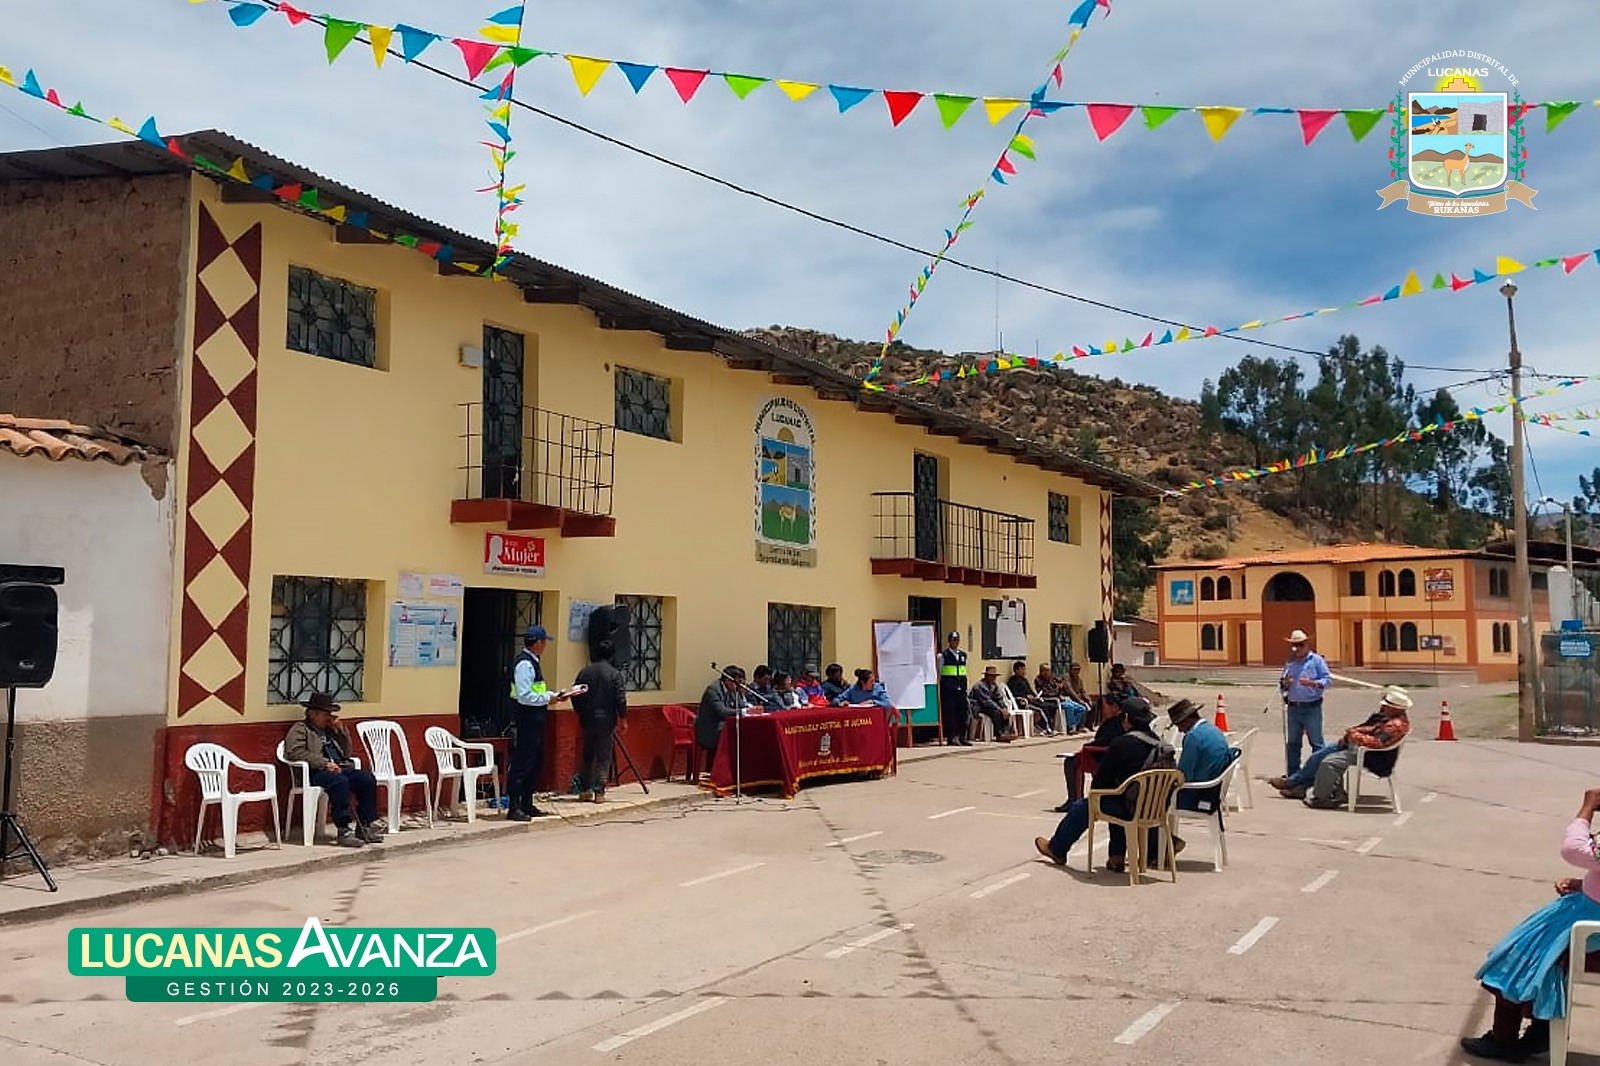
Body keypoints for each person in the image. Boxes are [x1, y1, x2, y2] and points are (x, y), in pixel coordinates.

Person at [1460, 787, 1600, 1062]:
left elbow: (1574, 850)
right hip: (1587, 911)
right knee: (1528, 949)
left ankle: (1505, 1039)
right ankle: (1541, 1030)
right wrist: (1584, 884)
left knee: (1519, 958)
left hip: (1590, 928)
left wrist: (1588, 808)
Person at [1034, 698, 1180, 873]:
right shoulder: (1160, 745)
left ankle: (1057, 849)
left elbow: (1100, 782)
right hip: (1154, 809)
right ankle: (1116, 857)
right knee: (1117, 797)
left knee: (1085, 806)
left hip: (1130, 808)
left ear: (1126, 718)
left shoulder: (1121, 744)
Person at [1269, 685, 1411, 808]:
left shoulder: (1395, 725)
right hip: (1358, 746)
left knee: (1328, 762)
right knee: (1319, 755)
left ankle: (1319, 797)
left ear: (1395, 708)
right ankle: (1297, 785)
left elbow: (1377, 742)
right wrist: (1352, 733)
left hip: (1371, 755)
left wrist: (1353, 735)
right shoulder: (1388, 718)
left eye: (1386, 703)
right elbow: (1370, 728)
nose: (1382, 705)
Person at [282, 692, 382, 847]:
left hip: (339, 767)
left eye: (330, 713)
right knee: (340, 783)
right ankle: (343, 829)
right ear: (312, 713)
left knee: (366, 779)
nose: (329, 717)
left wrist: (341, 731)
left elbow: (347, 752)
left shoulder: (330, 730)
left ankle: (365, 826)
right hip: (315, 772)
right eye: (325, 713)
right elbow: (294, 752)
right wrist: (323, 763)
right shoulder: (301, 729)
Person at [507, 625, 571, 821]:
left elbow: (536, 691)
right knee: (522, 763)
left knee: (534, 762)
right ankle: (515, 807)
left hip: (535, 720)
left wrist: (553, 696)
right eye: (544, 642)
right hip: (526, 720)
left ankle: (527, 803)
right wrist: (548, 698)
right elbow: (525, 696)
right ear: (537, 643)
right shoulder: (524, 665)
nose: (545, 646)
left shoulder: (533, 662)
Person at [1055, 694, 1139, 813]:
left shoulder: (1116, 723)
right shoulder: (1121, 721)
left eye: (1105, 706)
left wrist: (1087, 747)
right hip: (1111, 755)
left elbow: (1106, 742)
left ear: (1114, 707)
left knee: (1071, 762)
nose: (1103, 710)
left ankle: (1073, 799)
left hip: (1104, 758)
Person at [572, 637, 628, 803]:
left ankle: (584, 790)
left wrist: (580, 712)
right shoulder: (614, 675)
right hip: (606, 721)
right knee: (603, 756)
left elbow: (575, 695)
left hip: (587, 719)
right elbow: (620, 698)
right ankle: (599, 791)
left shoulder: (584, 672)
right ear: (611, 655)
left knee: (587, 755)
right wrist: (623, 719)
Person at [1279, 628, 1331, 777]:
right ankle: (1293, 775)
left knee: (1317, 743)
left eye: (1300, 645)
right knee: (1293, 744)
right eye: (1294, 645)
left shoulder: (1316, 660)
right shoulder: (1290, 662)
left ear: (1306, 644)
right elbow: (1282, 683)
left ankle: (1319, 773)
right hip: (1294, 707)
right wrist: (1286, 683)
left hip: (1311, 707)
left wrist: (1313, 683)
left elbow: (1327, 680)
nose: (1297, 648)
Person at [1169, 699, 1234, 812]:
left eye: (1179, 725)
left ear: (1187, 720)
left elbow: (1183, 775)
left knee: (1154, 800)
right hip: (1214, 791)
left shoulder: (1193, 737)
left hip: (1199, 795)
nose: (1179, 730)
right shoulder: (1214, 730)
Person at [696, 666, 749, 773]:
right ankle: (723, 771)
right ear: (728, 680)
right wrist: (743, 711)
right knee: (732, 735)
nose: (738, 686)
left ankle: (739, 770)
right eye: (736, 682)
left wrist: (744, 700)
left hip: (723, 726)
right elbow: (722, 712)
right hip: (710, 729)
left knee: (744, 733)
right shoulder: (713, 691)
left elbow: (742, 706)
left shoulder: (733, 690)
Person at [1008, 661, 1059, 737]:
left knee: (1050, 705)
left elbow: (1030, 690)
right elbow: (1014, 694)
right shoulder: (1013, 681)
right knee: (1042, 709)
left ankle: (1043, 726)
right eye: (1022, 670)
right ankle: (1048, 729)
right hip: (1023, 702)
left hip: (1033, 700)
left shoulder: (1024, 680)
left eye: (1024, 669)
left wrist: (1035, 696)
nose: (1024, 672)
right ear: (1016, 670)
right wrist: (1026, 696)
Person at [969, 666, 1017, 742]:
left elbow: (999, 698)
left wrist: (1004, 707)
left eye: (994, 676)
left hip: (991, 705)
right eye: (991, 676)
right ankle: (999, 734)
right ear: (986, 676)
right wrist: (1000, 709)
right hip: (979, 706)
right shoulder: (979, 686)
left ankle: (1006, 732)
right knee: (996, 713)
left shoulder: (994, 686)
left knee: (1005, 712)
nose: (993, 678)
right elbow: (986, 701)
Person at [939, 631, 971, 746]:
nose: (955, 642)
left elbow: (964, 671)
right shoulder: (943, 655)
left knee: (963, 713)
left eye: (957, 640)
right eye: (953, 640)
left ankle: (962, 737)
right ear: (949, 641)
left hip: (961, 688)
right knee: (950, 714)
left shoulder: (963, 655)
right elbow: (939, 672)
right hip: (949, 689)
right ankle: (951, 737)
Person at [1058, 662, 1092, 735]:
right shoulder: (1066, 677)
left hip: (1075, 700)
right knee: (1070, 707)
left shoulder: (1079, 680)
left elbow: (1082, 691)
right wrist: (1079, 700)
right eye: (1075, 669)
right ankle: (1072, 727)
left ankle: (1079, 726)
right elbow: (1070, 690)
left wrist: (1087, 698)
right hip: (1066, 698)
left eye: (1078, 669)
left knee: (1082, 708)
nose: (1077, 671)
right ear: (1070, 670)